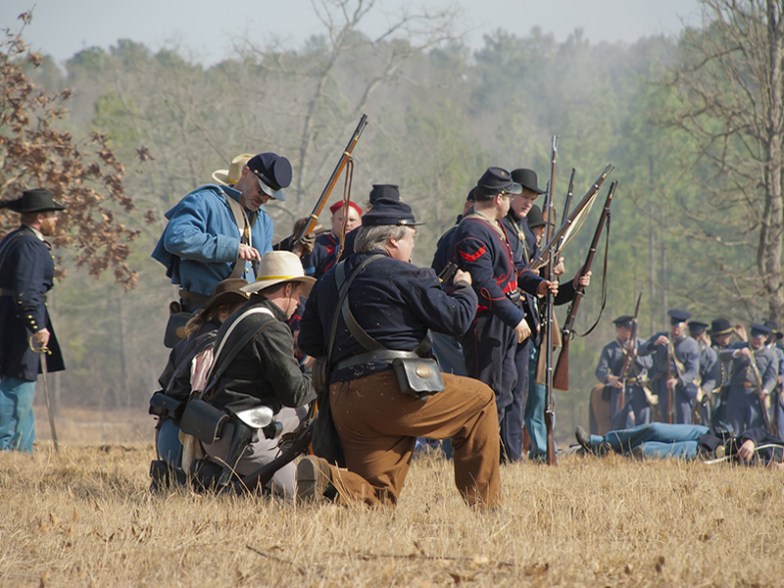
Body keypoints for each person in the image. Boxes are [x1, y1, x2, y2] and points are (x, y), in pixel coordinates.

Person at [297, 197, 501, 508]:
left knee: (378, 497)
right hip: (395, 392)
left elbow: (309, 344)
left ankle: (329, 477)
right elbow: (457, 319)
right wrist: (463, 287)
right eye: (411, 240)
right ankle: (487, 508)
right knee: (481, 400)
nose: (412, 248)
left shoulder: (328, 280)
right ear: (393, 239)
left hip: (344, 401)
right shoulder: (407, 274)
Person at [451, 168, 554, 460]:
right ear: (500, 198)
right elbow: (484, 284)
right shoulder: (473, 230)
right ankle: (478, 459)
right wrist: (515, 317)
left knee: (505, 389)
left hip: (503, 320)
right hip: (487, 323)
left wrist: (539, 285)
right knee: (489, 392)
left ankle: (496, 458)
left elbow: (516, 270)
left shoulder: (494, 227)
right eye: (509, 195)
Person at [199, 251, 316, 498]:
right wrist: (320, 373)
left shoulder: (241, 316)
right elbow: (296, 393)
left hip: (216, 428)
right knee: (304, 494)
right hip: (242, 437)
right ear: (286, 290)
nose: (298, 302)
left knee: (302, 415)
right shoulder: (271, 328)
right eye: (297, 293)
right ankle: (249, 479)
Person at [151, 152, 292, 312]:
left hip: (247, 312)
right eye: (261, 190)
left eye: (270, 197)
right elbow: (176, 238)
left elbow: (264, 268)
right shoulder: (205, 201)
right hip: (204, 312)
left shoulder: (264, 220)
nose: (264, 199)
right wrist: (232, 248)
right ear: (246, 172)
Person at [153, 278, 250, 468]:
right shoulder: (211, 347)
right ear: (223, 313)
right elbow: (198, 408)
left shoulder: (197, 336)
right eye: (244, 312)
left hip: (168, 433)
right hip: (181, 441)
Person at [523, 204, 590, 461]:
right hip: (525, 334)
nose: (540, 237)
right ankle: (537, 449)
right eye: (537, 232)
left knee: (541, 397)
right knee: (532, 397)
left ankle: (541, 448)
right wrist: (543, 273)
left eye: (541, 232)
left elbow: (550, 298)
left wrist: (572, 285)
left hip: (540, 337)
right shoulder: (525, 259)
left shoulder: (536, 258)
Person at [0, 188, 66, 452]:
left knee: (22, 384)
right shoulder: (29, 244)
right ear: (40, 217)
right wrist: (37, 327)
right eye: (53, 216)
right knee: (17, 386)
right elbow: (27, 291)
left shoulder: (13, 238)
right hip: (19, 324)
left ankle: (23, 451)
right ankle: (5, 449)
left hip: (8, 318)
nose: (56, 221)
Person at [575, 423, 784, 467]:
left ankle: (605, 457)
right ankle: (599, 444)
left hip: (709, 455)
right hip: (712, 436)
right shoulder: (780, 446)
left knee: (644, 451)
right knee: (655, 428)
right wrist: (750, 440)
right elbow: (760, 431)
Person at [639, 309, 700, 424]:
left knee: (683, 420)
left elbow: (693, 371)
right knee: (663, 419)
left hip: (682, 388)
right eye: (673, 325)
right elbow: (641, 351)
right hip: (663, 385)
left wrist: (678, 381)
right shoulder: (660, 337)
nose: (675, 329)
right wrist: (654, 344)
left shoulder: (691, 345)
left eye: (678, 326)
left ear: (685, 325)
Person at [595, 315, 654, 429]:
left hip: (639, 387)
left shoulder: (642, 345)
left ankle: (643, 446)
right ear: (618, 330)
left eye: (629, 329)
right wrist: (610, 379)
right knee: (617, 421)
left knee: (643, 421)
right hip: (620, 389)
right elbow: (600, 371)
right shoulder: (609, 349)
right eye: (624, 329)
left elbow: (649, 363)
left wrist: (635, 353)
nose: (627, 332)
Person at [718, 322, 777, 435]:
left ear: (765, 338)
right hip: (736, 392)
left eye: (759, 338)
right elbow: (722, 355)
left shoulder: (770, 355)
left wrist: (766, 390)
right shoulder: (739, 346)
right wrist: (738, 352)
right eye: (754, 337)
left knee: (753, 428)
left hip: (755, 394)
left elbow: (771, 377)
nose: (756, 341)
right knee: (733, 429)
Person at [311, 200, 363, 279]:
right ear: (333, 221)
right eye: (341, 219)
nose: (347, 224)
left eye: (352, 220)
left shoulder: (364, 245)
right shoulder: (318, 245)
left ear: (360, 222)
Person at [688, 320, 718, 423]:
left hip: (703, 394)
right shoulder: (685, 350)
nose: (696, 338)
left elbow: (712, 378)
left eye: (699, 335)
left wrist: (702, 391)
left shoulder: (710, 354)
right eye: (694, 336)